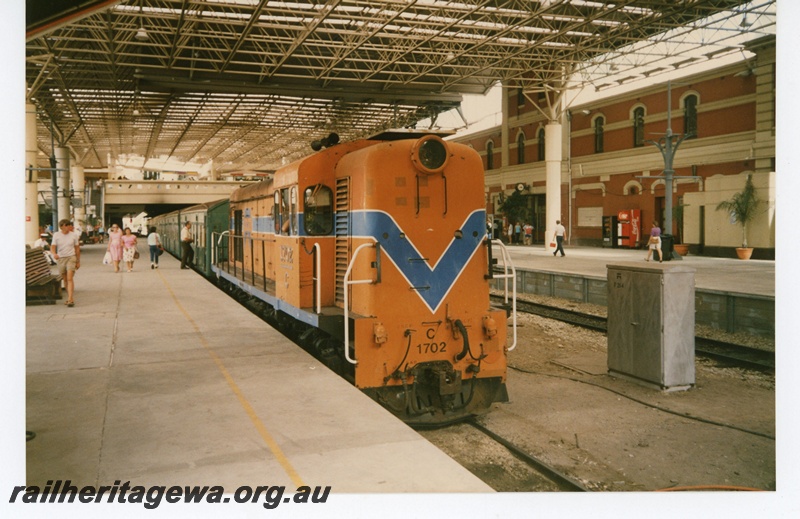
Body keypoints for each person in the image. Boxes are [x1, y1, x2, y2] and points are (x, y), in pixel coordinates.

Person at [50, 219, 80, 307]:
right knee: (65, 279)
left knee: (70, 278)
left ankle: (70, 299)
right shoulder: (56, 235)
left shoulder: (74, 235)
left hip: (71, 257)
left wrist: (78, 261)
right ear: (62, 226)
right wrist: (54, 254)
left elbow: (77, 249)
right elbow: (53, 247)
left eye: (69, 225)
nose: (69, 227)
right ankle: (69, 297)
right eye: (67, 225)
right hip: (61, 258)